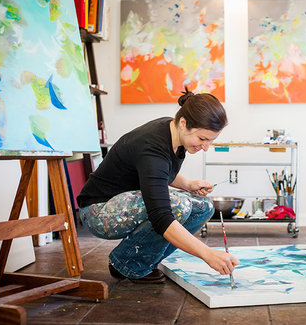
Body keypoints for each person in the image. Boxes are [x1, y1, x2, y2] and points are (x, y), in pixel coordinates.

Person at [77, 88, 240, 283]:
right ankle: (127, 264)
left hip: (125, 202)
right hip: (97, 212)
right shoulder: (152, 145)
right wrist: (208, 254)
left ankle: (139, 260)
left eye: (211, 141)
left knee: (204, 207)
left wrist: (188, 184)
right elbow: (161, 216)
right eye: (202, 139)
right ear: (183, 123)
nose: (205, 147)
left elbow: (159, 173)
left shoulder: (174, 134)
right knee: (177, 206)